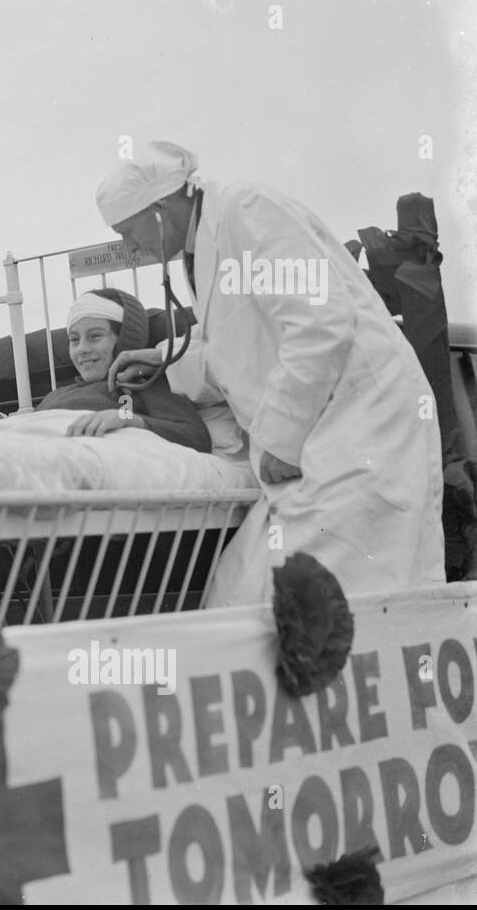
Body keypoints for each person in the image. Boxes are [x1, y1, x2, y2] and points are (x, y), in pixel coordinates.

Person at [94, 141, 445, 606]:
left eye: (127, 231)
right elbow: (237, 347)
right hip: (318, 441)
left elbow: (321, 324)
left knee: (343, 601)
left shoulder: (247, 211)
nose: (128, 247)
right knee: (243, 594)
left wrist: (281, 437)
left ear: (157, 209)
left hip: (361, 429)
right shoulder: (205, 242)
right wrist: (164, 358)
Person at [36, 288, 210, 453]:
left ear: (124, 341)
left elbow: (196, 437)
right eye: (74, 339)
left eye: (95, 336)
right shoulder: (54, 396)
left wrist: (128, 419)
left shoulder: (138, 387)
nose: (82, 349)